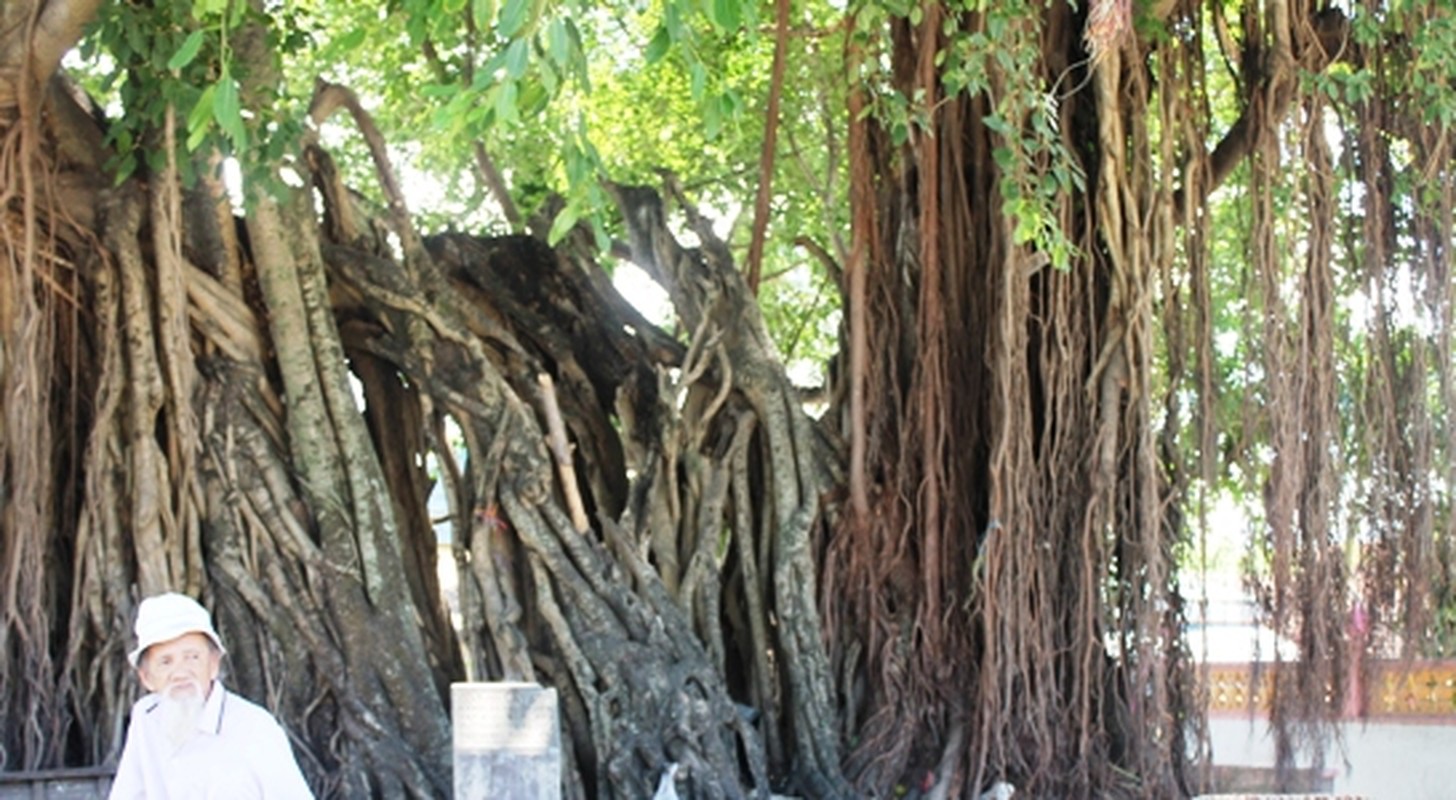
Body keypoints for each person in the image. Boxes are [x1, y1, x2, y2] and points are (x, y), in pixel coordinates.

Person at [109, 592, 314, 799]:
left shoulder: (255, 727)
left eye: (192, 657)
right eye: (166, 662)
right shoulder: (146, 717)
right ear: (146, 678)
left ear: (214, 664)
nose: (180, 673)